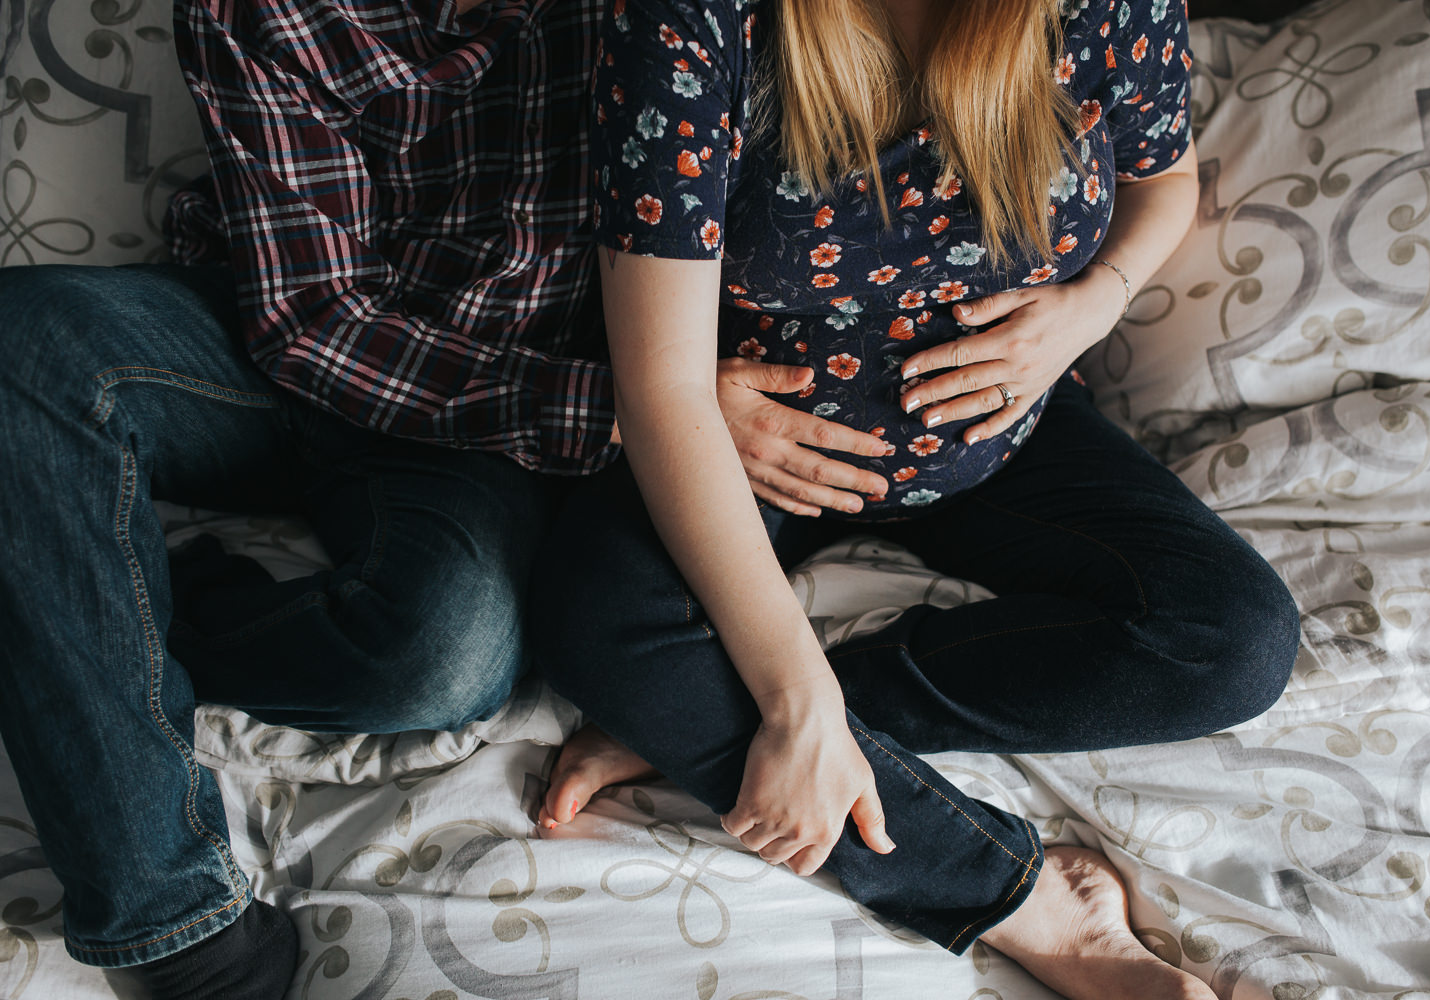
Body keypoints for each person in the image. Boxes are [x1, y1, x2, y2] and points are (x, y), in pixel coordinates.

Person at [0, 0, 885, 996]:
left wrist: (1093, 287)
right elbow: (312, 320)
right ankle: (177, 932)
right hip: (280, 344)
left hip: (495, 408)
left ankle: (109, 625)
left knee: (441, 652)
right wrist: (618, 409)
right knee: (27, 343)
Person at [531, 0, 1300, 996]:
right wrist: (788, 695)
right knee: (587, 620)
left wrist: (1086, 308)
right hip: (766, 439)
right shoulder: (696, 19)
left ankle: (692, 724)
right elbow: (663, 385)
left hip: (999, 432)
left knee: (1234, 641)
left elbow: (1165, 184)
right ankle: (1033, 903)